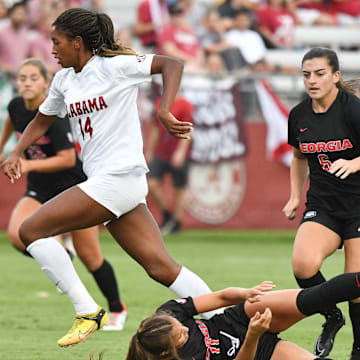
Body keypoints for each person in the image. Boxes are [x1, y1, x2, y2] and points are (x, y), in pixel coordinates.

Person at [1, 7, 217, 347]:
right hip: (113, 183)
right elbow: (41, 121)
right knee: (161, 268)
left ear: (78, 42)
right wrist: (16, 151)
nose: (52, 49)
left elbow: (172, 64)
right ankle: (230, 318)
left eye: (57, 42)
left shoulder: (114, 67)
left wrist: (164, 109)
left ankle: (87, 310)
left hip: (119, 178)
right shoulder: (63, 80)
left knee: (30, 230)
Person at [0, 58, 127, 331]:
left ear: (47, 82)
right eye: (22, 78)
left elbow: (68, 159)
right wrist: (6, 150)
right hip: (40, 189)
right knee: (17, 234)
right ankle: (63, 256)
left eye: (34, 78)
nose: (27, 83)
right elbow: (12, 122)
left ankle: (117, 308)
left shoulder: (54, 115)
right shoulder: (17, 106)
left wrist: (25, 162)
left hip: (72, 187)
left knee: (91, 257)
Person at [282, 47, 360, 359]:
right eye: (306, 75)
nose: (312, 81)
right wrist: (293, 196)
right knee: (302, 265)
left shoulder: (352, 109)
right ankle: (331, 316)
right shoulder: (298, 115)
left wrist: (355, 163)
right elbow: (299, 157)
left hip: (358, 204)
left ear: (336, 76)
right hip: (324, 204)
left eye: (319, 74)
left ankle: (358, 349)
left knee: (356, 281)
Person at [128, 271, 360, 360]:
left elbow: (218, 299)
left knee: (314, 297)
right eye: (181, 335)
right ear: (167, 352)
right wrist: (253, 335)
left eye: (180, 325)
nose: (186, 328)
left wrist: (245, 294)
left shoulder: (167, 315)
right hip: (255, 353)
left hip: (239, 319)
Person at [146, 92, 193, 235]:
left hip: (176, 149)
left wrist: (181, 152)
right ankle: (167, 214)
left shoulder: (185, 104)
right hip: (161, 151)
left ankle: (176, 222)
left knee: (179, 188)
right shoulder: (160, 102)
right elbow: (155, 128)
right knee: (152, 184)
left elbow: (188, 129)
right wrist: (149, 150)